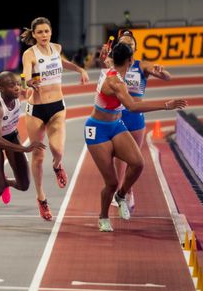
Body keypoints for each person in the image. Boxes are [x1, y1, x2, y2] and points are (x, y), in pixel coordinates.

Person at [85, 43, 186, 232]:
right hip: (97, 129)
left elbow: (105, 60)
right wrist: (166, 105)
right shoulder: (116, 82)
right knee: (112, 182)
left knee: (138, 163)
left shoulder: (110, 66)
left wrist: (104, 56)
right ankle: (103, 216)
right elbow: (132, 106)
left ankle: (121, 196)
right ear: (131, 60)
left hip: (116, 125)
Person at [21, 17, 90, 221]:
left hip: (57, 106)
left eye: (46, 31)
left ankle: (58, 165)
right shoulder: (29, 54)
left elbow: (61, 62)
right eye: (39, 32)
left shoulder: (57, 48)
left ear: (51, 32)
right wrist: (27, 84)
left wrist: (80, 69)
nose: (43, 35)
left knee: (58, 149)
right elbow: (25, 74)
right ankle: (41, 198)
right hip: (36, 109)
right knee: (38, 156)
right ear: (34, 35)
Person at [100, 29, 172, 212]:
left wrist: (162, 73)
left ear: (135, 48)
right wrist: (104, 61)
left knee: (133, 159)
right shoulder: (113, 63)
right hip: (117, 116)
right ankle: (123, 193)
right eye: (123, 43)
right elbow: (105, 72)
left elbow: (167, 77)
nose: (127, 46)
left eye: (130, 44)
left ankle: (127, 192)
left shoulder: (142, 66)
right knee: (119, 158)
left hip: (135, 118)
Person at [0, 72, 46, 227]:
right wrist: (24, 148)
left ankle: (7, 182)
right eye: (12, 86)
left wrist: (27, 83)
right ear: (1, 89)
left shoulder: (17, 93)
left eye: (17, 84)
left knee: (24, 185)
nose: (17, 88)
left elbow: (23, 85)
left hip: (11, 135)